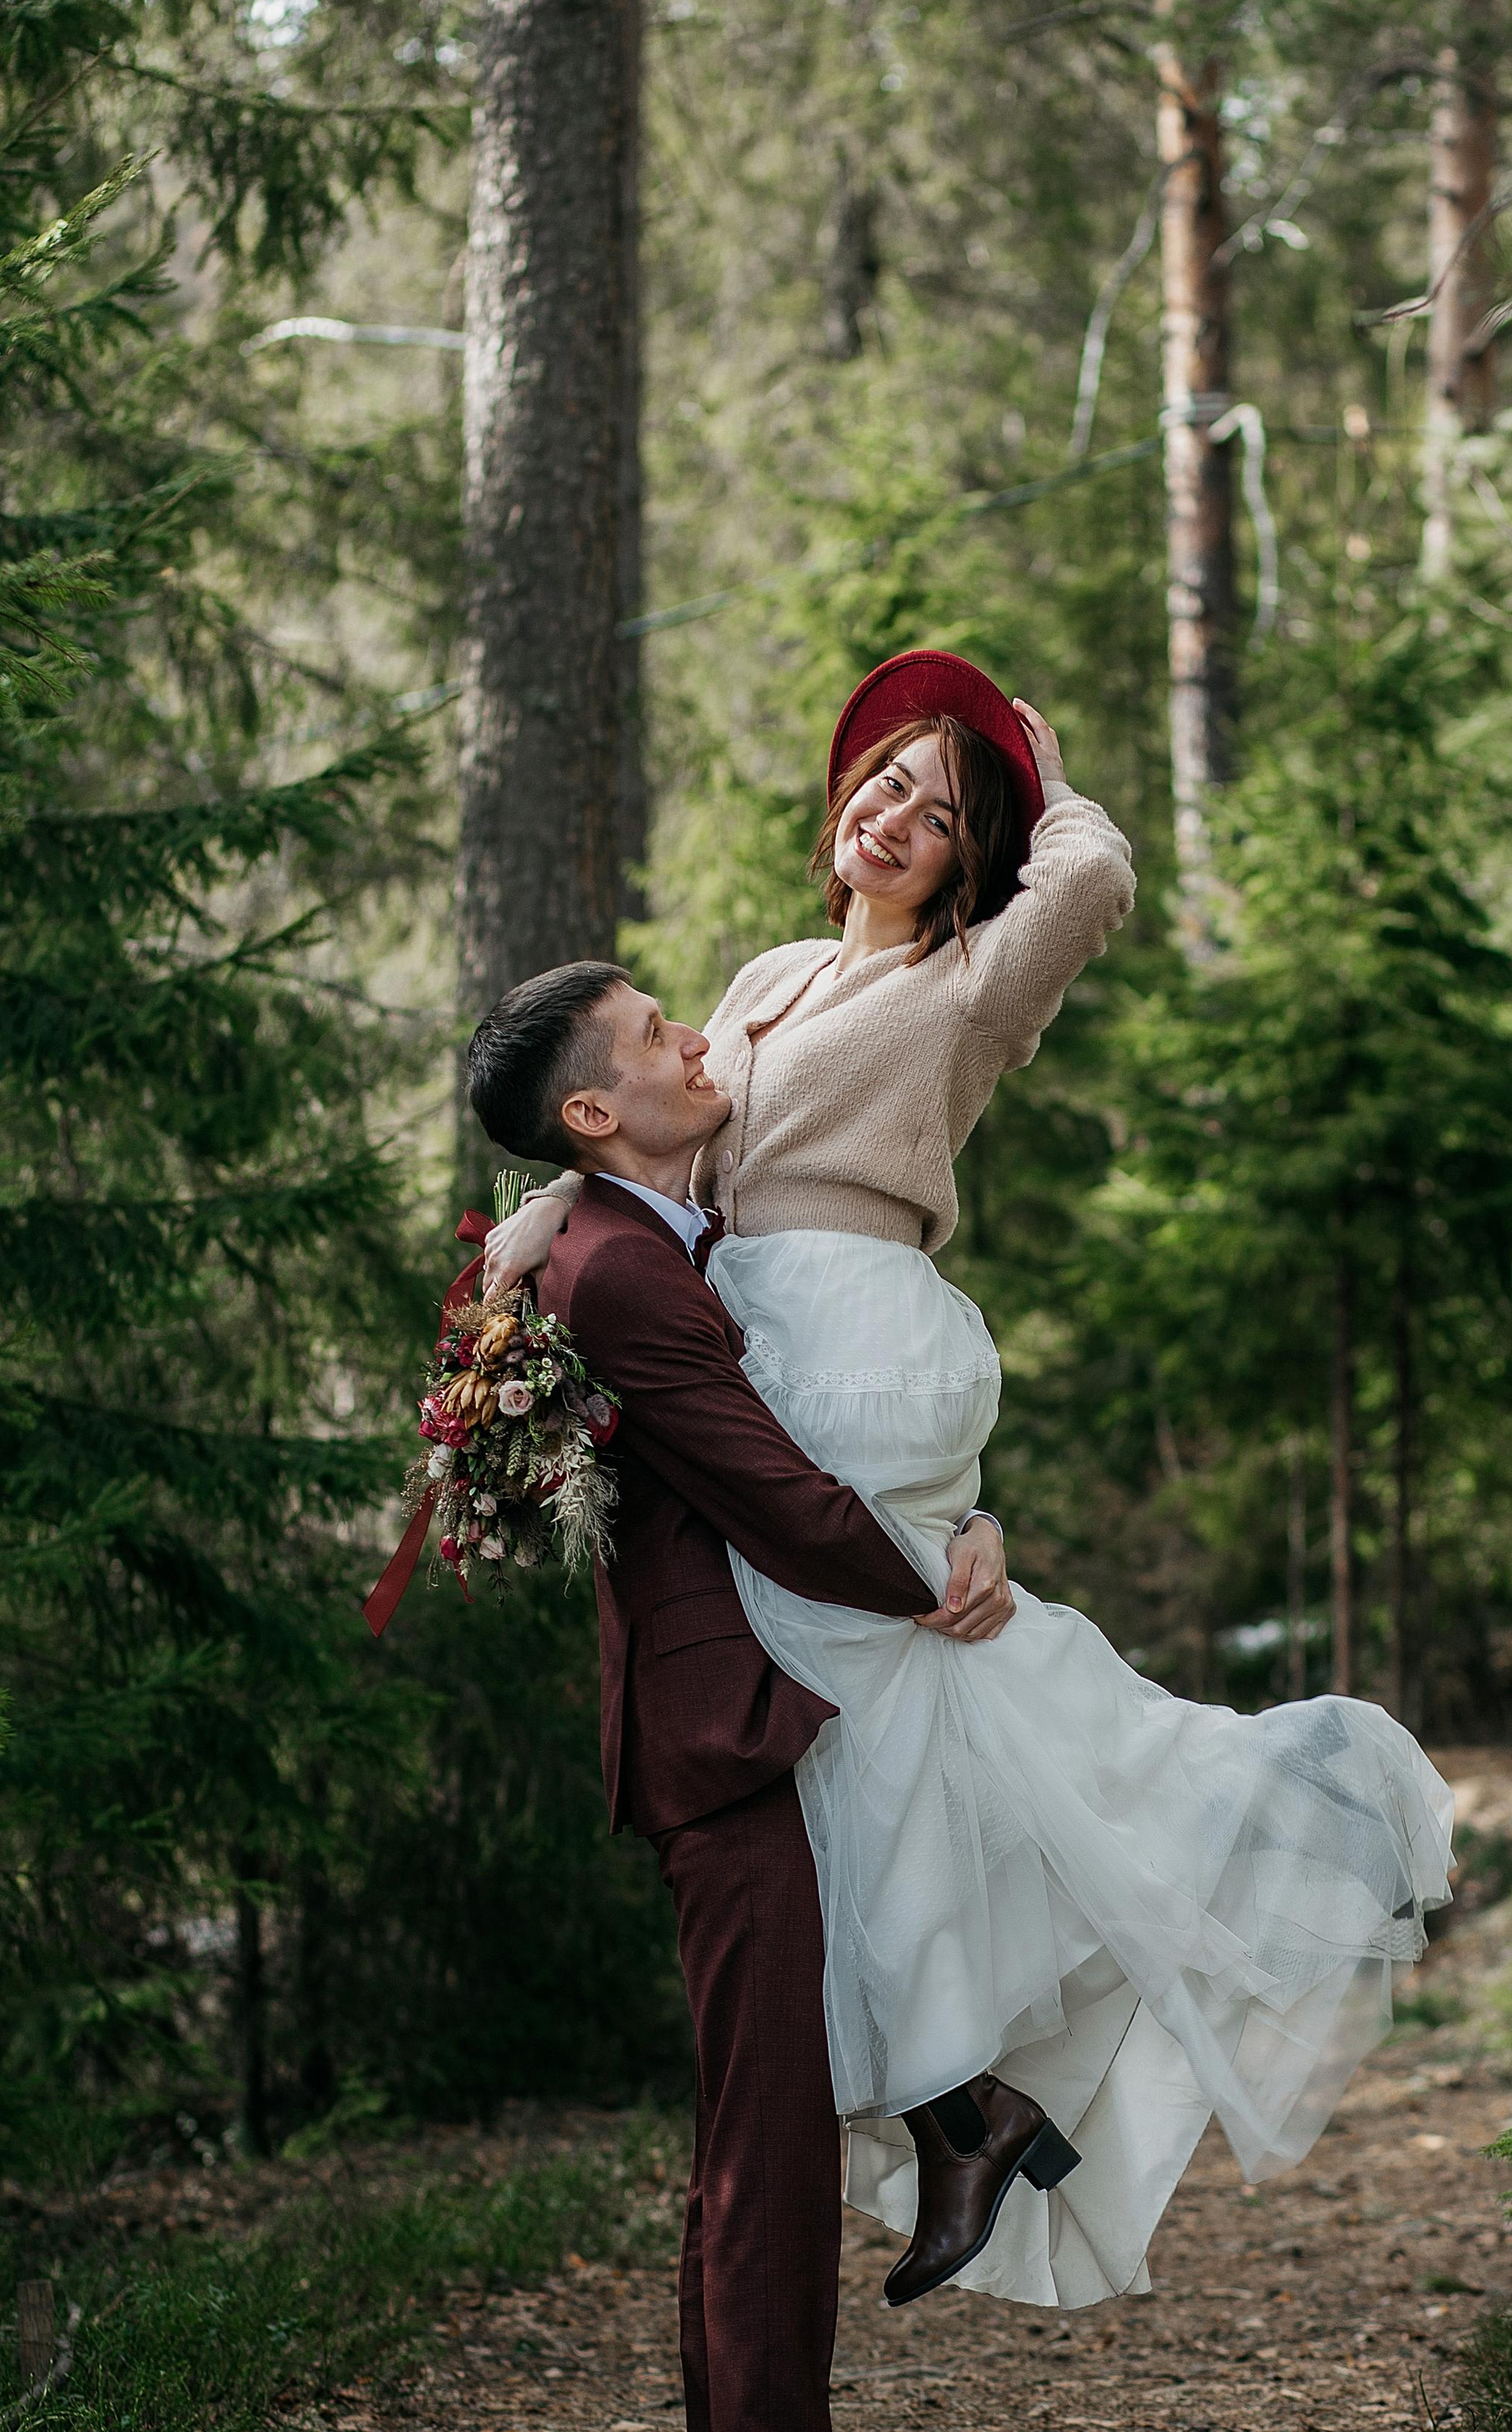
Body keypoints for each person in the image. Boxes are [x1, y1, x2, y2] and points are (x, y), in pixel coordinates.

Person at [482, 648, 1457, 2316]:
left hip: (857, 1325)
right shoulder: (765, 973)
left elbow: (1092, 872)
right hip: (765, 1330)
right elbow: (647, 1146)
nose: (889, 814)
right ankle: (966, 2105)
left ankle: (995, 2065)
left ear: (965, 862)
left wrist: (1030, 759)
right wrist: (520, 1251)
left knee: (864, 1688)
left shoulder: (974, 979)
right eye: (880, 783)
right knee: (875, 1739)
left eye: (934, 816)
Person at [465, 965, 1019, 2432]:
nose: (696, 1041)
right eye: (654, 1039)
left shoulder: (619, 1229)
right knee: (759, 2165)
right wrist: (931, 1576)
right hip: (727, 1732)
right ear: (589, 1114)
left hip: (765, 1711)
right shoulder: (615, 1268)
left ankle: (965, 2118)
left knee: (761, 2145)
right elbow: (766, 1489)